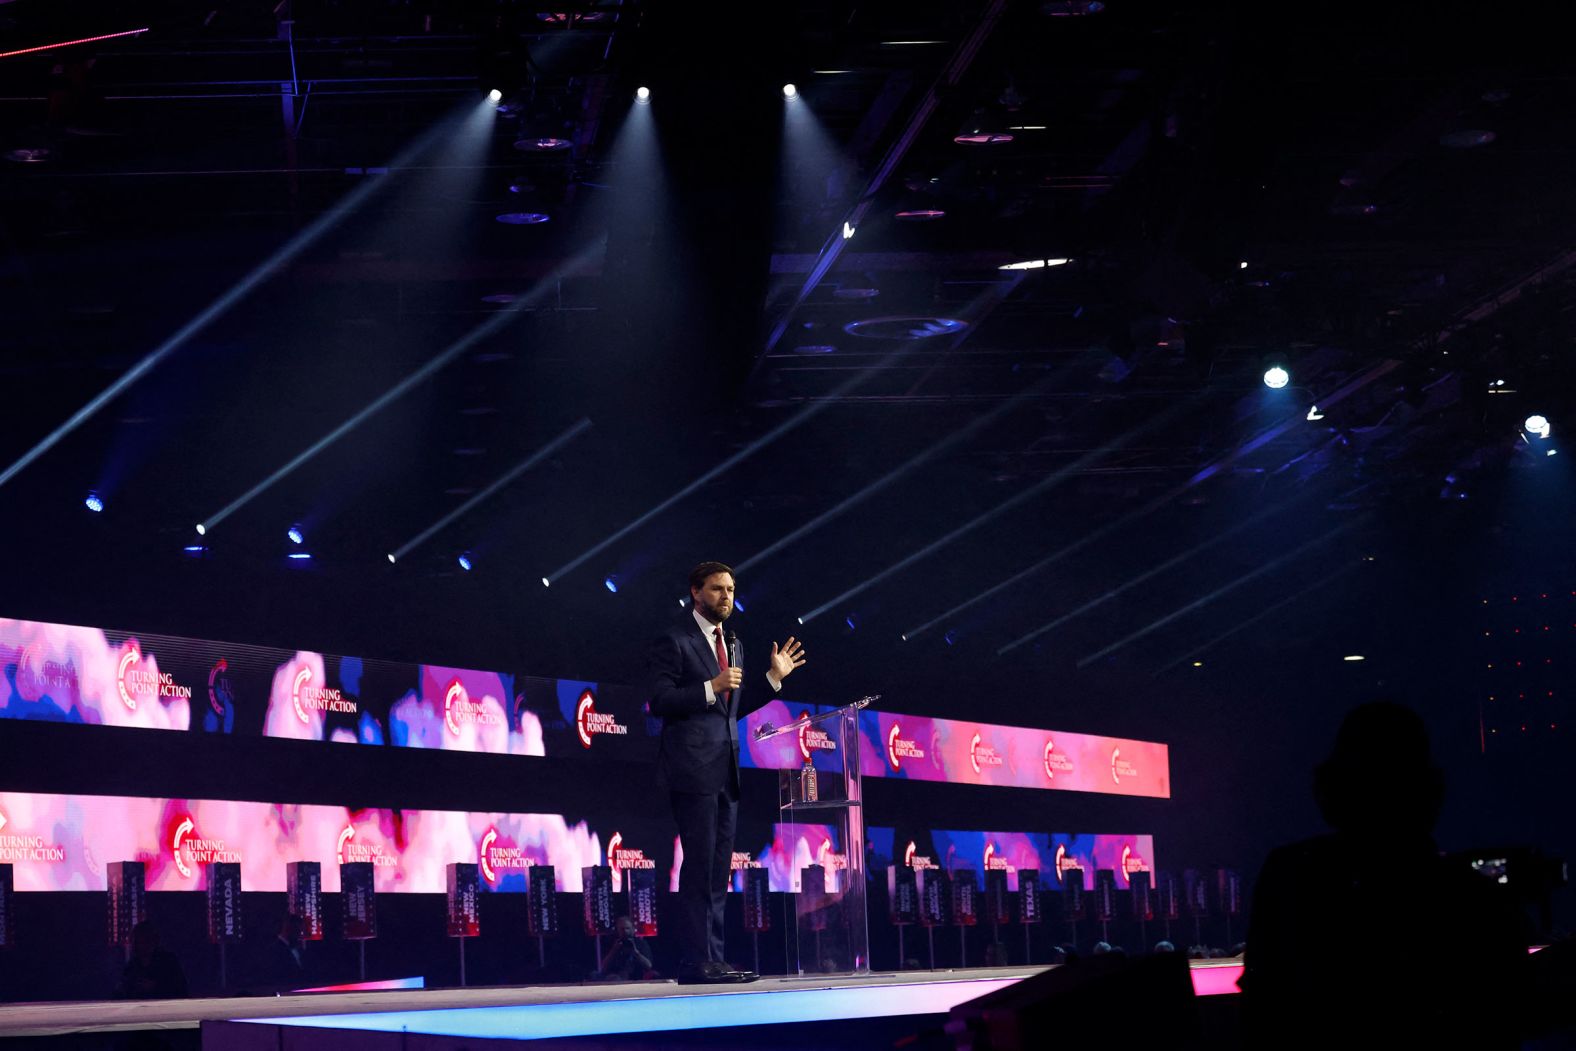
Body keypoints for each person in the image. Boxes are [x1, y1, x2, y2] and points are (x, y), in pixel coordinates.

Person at [1241, 702, 1526, 1049]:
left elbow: (1264, 1007)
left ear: (1331, 788)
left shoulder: (1290, 873)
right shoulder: (1475, 898)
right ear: (1431, 791)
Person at [646, 561, 806, 984]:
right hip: (691, 768)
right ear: (696, 592)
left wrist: (772, 678)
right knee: (698, 866)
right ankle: (696, 960)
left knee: (719, 870)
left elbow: (730, 711)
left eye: (732, 589)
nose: (727, 597)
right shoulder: (675, 639)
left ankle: (713, 958)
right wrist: (708, 687)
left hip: (726, 769)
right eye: (718, 589)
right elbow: (659, 700)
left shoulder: (732, 643)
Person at [118, 921, 188, 999]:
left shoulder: (168, 962)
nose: (144, 945)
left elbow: (180, 989)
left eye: (147, 940)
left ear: (155, 941)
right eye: (140, 941)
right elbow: (122, 993)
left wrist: (156, 987)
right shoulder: (132, 967)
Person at [597, 916, 658, 981]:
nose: (625, 931)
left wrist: (637, 953)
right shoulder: (611, 942)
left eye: (627, 928)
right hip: (616, 976)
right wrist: (614, 950)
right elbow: (603, 967)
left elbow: (649, 965)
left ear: (633, 929)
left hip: (637, 976)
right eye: (622, 929)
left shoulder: (641, 943)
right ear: (617, 930)